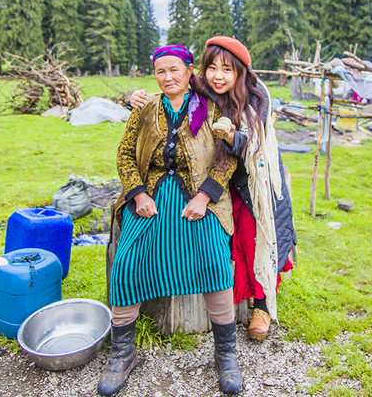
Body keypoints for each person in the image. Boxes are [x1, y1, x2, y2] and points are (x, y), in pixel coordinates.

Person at [130, 36, 297, 342]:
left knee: (252, 233)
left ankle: (261, 304)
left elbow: (250, 143)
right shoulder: (201, 93)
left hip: (251, 182)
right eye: (212, 68)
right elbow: (171, 88)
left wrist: (232, 137)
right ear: (202, 70)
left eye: (227, 70)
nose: (218, 76)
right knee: (221, 239)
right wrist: (139, 97)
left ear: (239, 73)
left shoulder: (254, 99)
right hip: (213, 178)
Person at [100, 45, 242, 396]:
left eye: (174, 70)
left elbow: (226, 161)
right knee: (127, 262)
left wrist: (205, 196)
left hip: (198, 198)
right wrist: (138, 194)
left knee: (213, 260)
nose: (167, 77)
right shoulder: (145, 108)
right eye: (160, 71)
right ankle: (123, 352)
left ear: (189, 69)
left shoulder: (210, 107)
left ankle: (226, 353)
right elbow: (124, 154)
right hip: (150, 198)